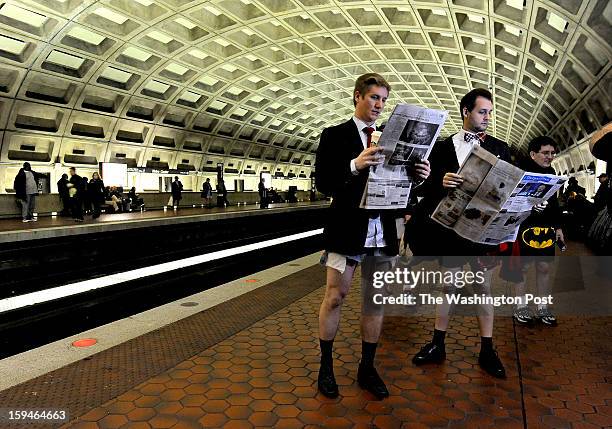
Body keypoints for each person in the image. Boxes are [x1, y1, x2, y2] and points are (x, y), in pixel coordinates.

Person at [315, 73, 430, 399]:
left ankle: (367, 367)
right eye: (373, 97)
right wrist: (354, 164)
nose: (379, 105)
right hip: (346, 231)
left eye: (383, 99)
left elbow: (403, 191)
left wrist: (419, 178)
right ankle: (326, 366)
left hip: (383, 232)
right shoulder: (334, 135)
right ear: (357, 97)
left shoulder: (391, 140)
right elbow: (323, 182)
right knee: (335, 297)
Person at [407, 88, 511, 379]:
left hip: (480, 232)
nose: (487, 117)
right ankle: (437, 344)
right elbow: (423, 188)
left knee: (483, 289)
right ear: (466, 111)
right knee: (448, 285)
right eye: (482, 111)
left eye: (490, 112)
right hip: (449, 231)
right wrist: (439, 181)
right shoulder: (441, 147)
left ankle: (487, 350)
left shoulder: (501, 148)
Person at [504, 136, 565, 326]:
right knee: (522, 267)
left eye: (552, 153)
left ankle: (542, 307)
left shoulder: (552, 172)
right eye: (545, 153)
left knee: (544, 267)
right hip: (523, 226)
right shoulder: (520, 171)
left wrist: (558, 227)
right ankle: (521, 306)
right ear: (533, 154)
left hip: (545, 226)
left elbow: (554, 203)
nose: (550, 157)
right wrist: (529, 207)